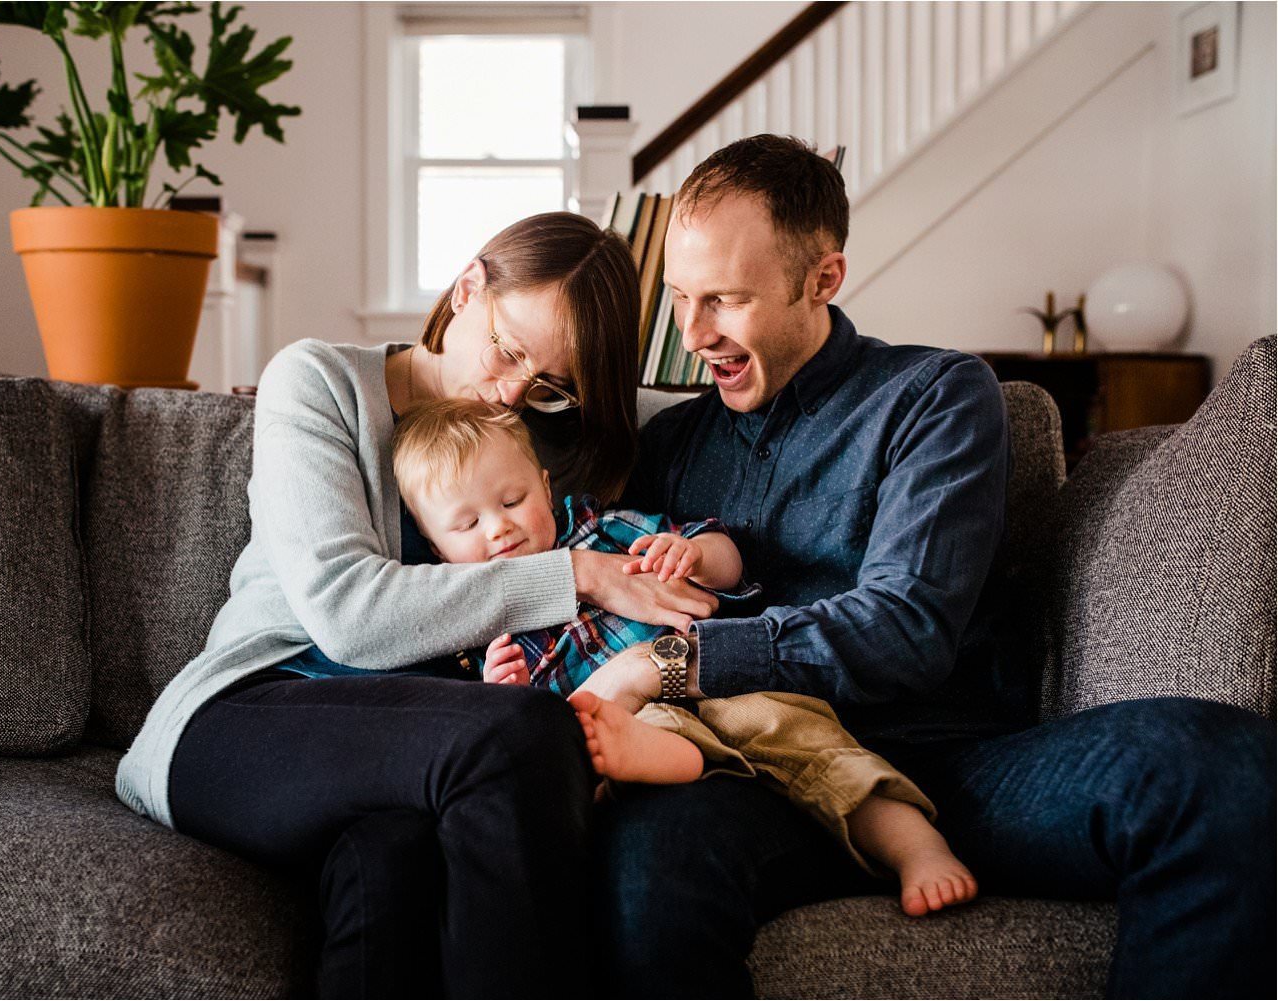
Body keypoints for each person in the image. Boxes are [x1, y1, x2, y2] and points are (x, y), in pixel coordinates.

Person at [581, 134, 1275, 997]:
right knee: (646, 865)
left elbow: (904, 628)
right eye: (681, 298)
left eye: (723, 299)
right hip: (753, 769)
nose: (694, 333)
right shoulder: (672, 445)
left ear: (823, 280)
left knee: (1224, 766)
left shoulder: (935, 396)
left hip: (955, 767)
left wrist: (671, 662)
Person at [115, 212, 721, 997]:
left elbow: (679, 417)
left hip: (408, 754)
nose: (509, 391)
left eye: (548, 384)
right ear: (468, 287)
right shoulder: (319, 381)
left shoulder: (543, 431)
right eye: (506, 350)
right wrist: (582, 573)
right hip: (249, 712)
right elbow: (348, 613)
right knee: (522, 736)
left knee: (394, 862)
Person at [392, 397, 978, 915]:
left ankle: (917, 848)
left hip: (720, 685)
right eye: (467, 524)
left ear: (547, 487)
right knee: (581, 766)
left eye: (514, 499)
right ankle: (668, 756)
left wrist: (693, 554)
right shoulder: (478, 623)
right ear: (432, 542)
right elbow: (511, 726)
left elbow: (732, 564)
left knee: (807, 739)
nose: (499, 529)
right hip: (627, 730)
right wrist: (504, 690)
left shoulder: (607, 530)